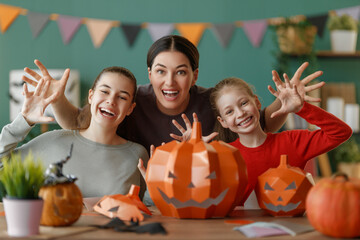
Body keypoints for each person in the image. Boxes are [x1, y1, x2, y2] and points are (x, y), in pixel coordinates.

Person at [22, 35, 324, 166]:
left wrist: (282, 107)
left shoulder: (211, 103)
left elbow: (255, 128)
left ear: (194, 75)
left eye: (180, 72)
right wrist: (56, 99)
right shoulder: (131, 100)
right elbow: (79, 122)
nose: (169, 82)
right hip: (140, 196)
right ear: (149, 74)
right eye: (160, 71)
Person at [0, 66, 149, 198]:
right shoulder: (53, 141)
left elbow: (148, 207)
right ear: (91, 96)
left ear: (130, 108)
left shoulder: (137, 155)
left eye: (122, 97)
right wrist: (24, 120)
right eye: (104, 91)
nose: (111, 101)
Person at [209, 71, 352, 205]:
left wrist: (301, 108)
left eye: (244, 103)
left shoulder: (292, 142)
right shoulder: (224, 155)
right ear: (223, 122)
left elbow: (341, 132)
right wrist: (190, 148)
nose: (240, 113)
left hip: (290, 226)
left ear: (257, 103)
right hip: (238, 229)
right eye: (229, 111)